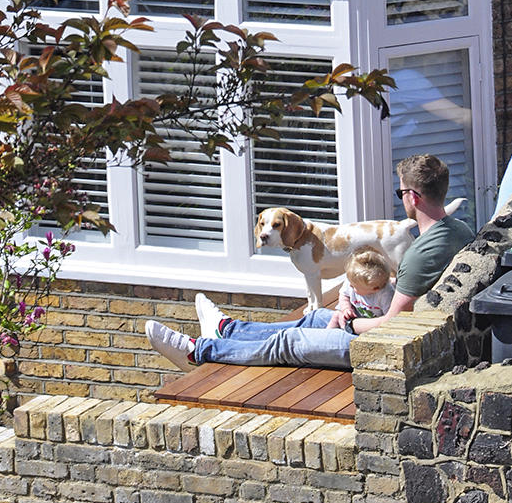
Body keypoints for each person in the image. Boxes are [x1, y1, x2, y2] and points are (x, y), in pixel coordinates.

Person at [146, 154, 474, 372]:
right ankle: (229, 330)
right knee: (315, 316)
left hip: (384, 345)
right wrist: (347, 305)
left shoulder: (419, 255)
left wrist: (349, 323)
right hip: (388, 326)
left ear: (413, 197)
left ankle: (199, 351)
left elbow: (393, 322)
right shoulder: (459, 229)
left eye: (401, 191)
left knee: (289, 343)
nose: (400, 197)